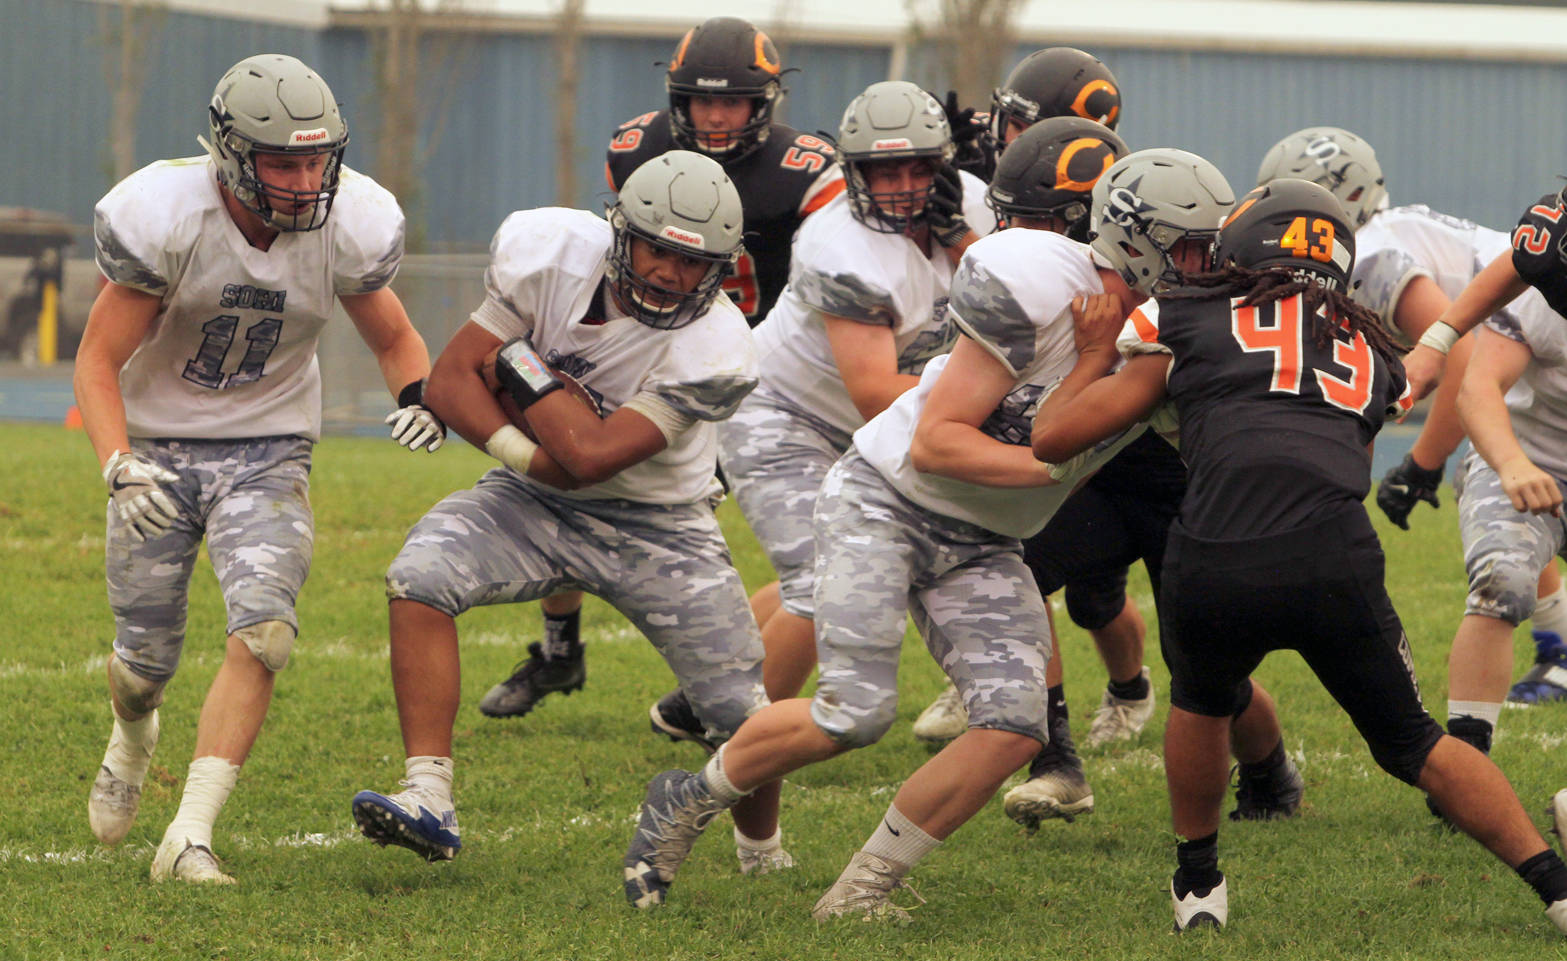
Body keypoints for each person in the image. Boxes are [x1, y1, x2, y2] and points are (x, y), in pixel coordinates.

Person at [618, 146, 1291, 920]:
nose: (1206, 265)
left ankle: (863, 885)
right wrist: (1053, 466)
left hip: (981, 541)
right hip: (888, 499)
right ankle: (684, 798)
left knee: (1012, 721)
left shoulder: (1166, 328)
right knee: (855, 711)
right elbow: (936, 442)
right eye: (1190, 247)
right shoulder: (1042, 280)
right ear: (1135, 237)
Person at [1031, 176, 1567, 934]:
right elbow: (1380, 399)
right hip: (1332, 555)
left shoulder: (1180, 313)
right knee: (1414, 740)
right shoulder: (1369, 346)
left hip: (1214, 548)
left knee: (1201, 699)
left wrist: (1090, 355)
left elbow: (1053, 437)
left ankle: (1197, 880)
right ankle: (1553, 884)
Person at [348, 151, 790, 873]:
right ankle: (428, 794)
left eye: (693, 261)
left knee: (740, 710)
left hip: (659, 522)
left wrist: (518, 367)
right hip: (531, 495)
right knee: (419, 577)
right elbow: (453, 379)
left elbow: (589, 455)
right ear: (623, 233)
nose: (672, 274)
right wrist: (525, 451)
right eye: (658, 249)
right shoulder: (548, 251)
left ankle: (761, 852)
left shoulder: (718, 346)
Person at [77, 54, 441, 884]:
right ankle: (132, 737)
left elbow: (392, 336)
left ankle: (190, 832)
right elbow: (97, 361)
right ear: (233, 154)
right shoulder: (167, 213)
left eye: (317, 158)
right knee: (142, 663)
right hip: (158, 448)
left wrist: (417, 391)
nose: (307, 179)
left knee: (266, 630)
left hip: (271, 444)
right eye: (284, 160)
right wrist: (116, 461)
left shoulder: (348, 221)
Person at [477, 16, 844, 728]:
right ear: (677, 98)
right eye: (701, 100)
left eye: (732, 101)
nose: (715, 115)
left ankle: (715, 683)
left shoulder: (803, 173)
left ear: (763, 102)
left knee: (707, 524)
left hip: (755, 366)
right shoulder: (638, 147)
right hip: (646, 344)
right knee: (563, 471)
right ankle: (560, 650)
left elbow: (833, 274)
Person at [1259, 126, 1567, 709]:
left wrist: (1422, 464)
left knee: (1507, 483)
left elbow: (1461, 355)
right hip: (1525, 349)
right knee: (1516, 498)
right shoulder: (1386, 233)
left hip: (1527, 345)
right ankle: (1557, 646)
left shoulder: (1368, 255)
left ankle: (1557, 647)